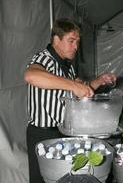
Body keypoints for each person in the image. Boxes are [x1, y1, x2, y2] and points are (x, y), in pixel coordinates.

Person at [24, 18, 117, 183]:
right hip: (41, 133)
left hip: (61, 132)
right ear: (56, 39)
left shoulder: (68, 66)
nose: (76, 46)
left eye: (77, 42)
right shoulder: (45, 59)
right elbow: (31, 75)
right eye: (71, 41)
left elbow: (81, 89)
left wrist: (99, 80)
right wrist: (74, 85)